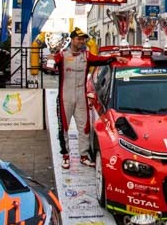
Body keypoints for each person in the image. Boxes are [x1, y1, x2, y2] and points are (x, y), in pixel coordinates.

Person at [43, 28, 114, 169]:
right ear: (72, 39)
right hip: (65, 98)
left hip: (81, 97)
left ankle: (84, 156)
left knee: (84, 127)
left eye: (83, 39)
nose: (81, 41)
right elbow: (48, 67)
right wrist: (49, 62)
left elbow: (101, 60)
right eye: (78, 39)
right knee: (63, 128)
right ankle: (65, 156)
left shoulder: (86, 55)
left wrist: (116, 58)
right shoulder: (62, 55)